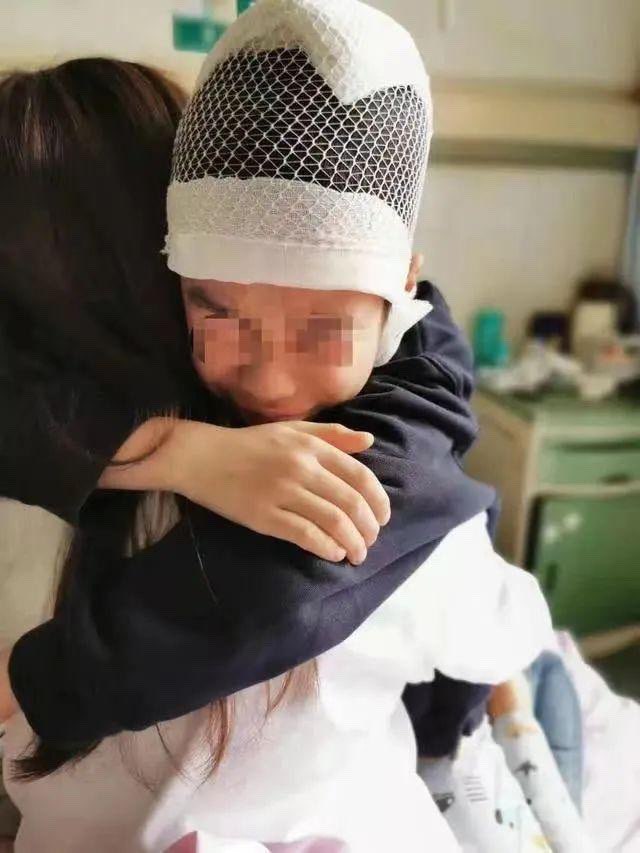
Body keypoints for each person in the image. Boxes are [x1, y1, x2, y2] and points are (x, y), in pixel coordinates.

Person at [1, 2, 551, 849]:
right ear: (163, 271)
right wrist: (185, 455)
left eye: (324, 327)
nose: (271, 380)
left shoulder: (379, 438)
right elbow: (497, 624)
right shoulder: (345, 487)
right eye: (215, 309)